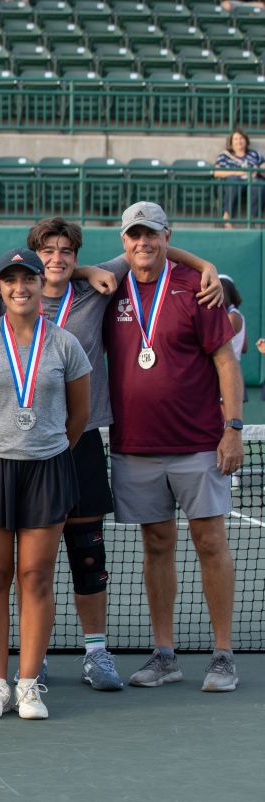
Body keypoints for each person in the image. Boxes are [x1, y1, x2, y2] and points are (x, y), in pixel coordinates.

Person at [105, 202, 243, 693]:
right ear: (123, 242)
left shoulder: (196, 289)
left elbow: (226, 361)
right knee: (156, 545)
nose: (143, 243)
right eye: (134, 235)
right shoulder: (111, 286)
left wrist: (233, 428)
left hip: (199, 444)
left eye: (152, 235)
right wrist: (201, 259)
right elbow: (69, 269)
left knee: (211, 543)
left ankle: (223, 654)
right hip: (134, 447)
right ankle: (165, 654)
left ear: (167, 236)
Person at [0, 248, 91, 720]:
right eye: (11, 280)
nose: (20, 288)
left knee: (35, 576)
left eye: (28, 280)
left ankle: (29, 684)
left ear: (41, 285)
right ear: (0, 286)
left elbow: (79, 415)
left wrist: (45, 444)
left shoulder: (65, 344)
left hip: (47, 469)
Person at [214, 129, 263, 228]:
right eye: (236, 139)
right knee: (233, 180)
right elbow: (216, 172)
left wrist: (256, 170)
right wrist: (237, 172)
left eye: (241, 138)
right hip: (233, 182)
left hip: (251, 181)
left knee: (259, 185)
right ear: (231, 142)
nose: (239, 141)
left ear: (246, 141)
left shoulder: (254, 154)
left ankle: (252, 220)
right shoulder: (225, 155)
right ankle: (227, 217)